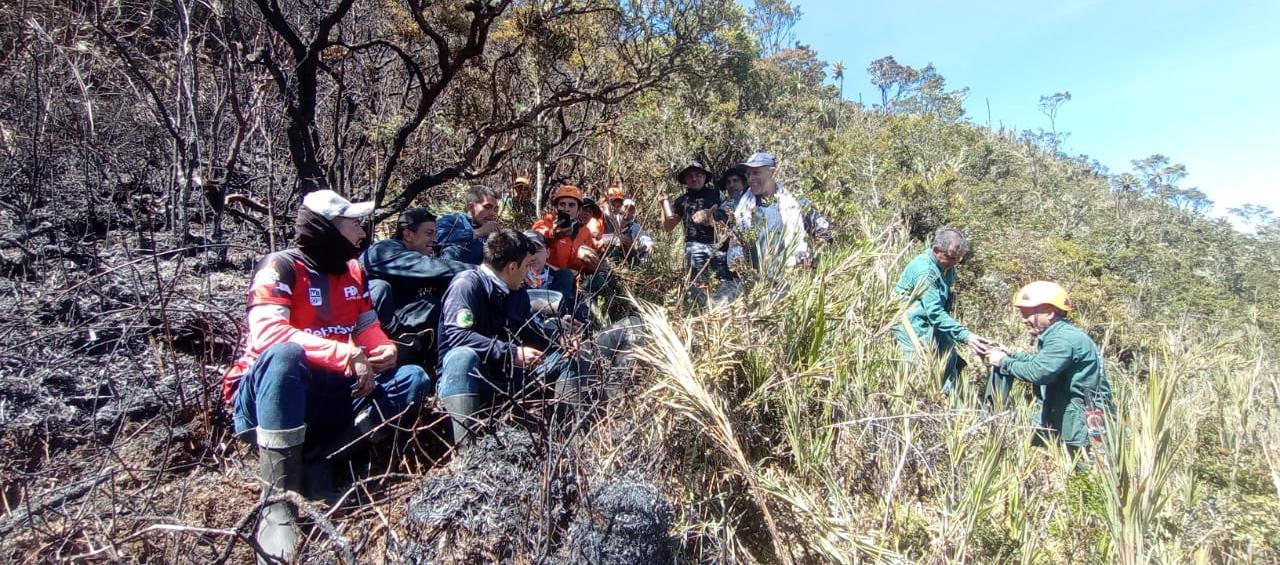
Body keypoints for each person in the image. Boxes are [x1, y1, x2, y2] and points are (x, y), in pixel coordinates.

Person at [222, 190, 431, 562]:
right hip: (269, 397)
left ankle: (323, 460)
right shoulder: (280, 267)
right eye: (353, 224)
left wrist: (383, 349)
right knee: (285, 356)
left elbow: (367, 324)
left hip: (331, 393)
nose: (362, 233)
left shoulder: (353, 270)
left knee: (411, 378)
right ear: (327, 227)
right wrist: (346, 353)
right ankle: (277, 501)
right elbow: (268, 335)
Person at [435, 229, 582, 443]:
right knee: (462, 357)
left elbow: (530, 327)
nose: (528, 272)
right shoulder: (466, 285)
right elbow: (458, 337)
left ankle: (569, 441)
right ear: (512, 267)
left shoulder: (515, 291)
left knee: (566, 360)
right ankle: (465, 456)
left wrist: (560, 338)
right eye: (525, 266)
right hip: (468, 378)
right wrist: (511, 353)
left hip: (504, 375)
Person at [984, 281, 1112, 458]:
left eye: (1027, 314)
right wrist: (1012, 356)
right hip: (1073, 419)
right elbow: (1042, 361)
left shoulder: (1062, 339)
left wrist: (1004, 362)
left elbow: (1039, 372)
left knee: (1086, 476)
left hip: (1081, 424)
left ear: (1050, 312)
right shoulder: (1059, 335)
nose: (1023, 319)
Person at [361, 208, 473, 366]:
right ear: (408, 234)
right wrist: (482, 271)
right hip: (365, 331)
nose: (435, 239)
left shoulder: (418, 256)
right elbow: (430, 267)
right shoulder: (383, 250)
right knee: (379, 288)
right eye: (429, 233)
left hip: (398, 322)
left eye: (435, 233)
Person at [891, 228, 994, 393]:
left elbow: (941, 307)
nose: (955, 263)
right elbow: (934, 311)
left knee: (950, 359)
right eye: (952, 257)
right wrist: (966, 336)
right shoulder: (924, 270)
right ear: (937, 250)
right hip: (912, 325)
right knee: (919, 367)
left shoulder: (947, 267)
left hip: (935, 324)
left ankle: (950, 401)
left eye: (959, 259)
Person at [732, 152, 833, 275]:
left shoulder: (796, 202)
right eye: (748, 174)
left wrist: (814, 256)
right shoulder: (741, 205)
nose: (750, 178)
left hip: (788, 278)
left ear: (773, 173)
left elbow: (827, 231)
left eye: (756, 173)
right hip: (753, 282)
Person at [661, 160, 732, 293]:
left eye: (698, 174)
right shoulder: (681, 200)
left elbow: (728, 216)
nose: (694, 178)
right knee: (699, 285)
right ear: (685, 180)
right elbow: (669, 226)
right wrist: (664, 204)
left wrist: (712, 214)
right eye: (690, 176)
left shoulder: (717, 194)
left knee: (723, 284)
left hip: (719, 246)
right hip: (695, 247)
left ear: (704, 177)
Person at [531, 184, 602, 274]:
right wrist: (553, 235)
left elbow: (571, 262)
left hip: (567, 276)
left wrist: (590, 264)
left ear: (579, 210)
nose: (566, 209)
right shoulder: (544, 223)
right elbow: (536, 239)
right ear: (556, 208)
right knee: (566, 275)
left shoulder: (582, 230)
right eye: (562, 204)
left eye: (571, 205)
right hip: (543, 274)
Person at [436, 185, 502, 264]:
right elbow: (437, 238)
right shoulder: (454, 220)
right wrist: (478, 232)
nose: (492, 213)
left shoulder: (492, 232)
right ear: (471, 206)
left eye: (495, 209)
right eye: (487, 207)